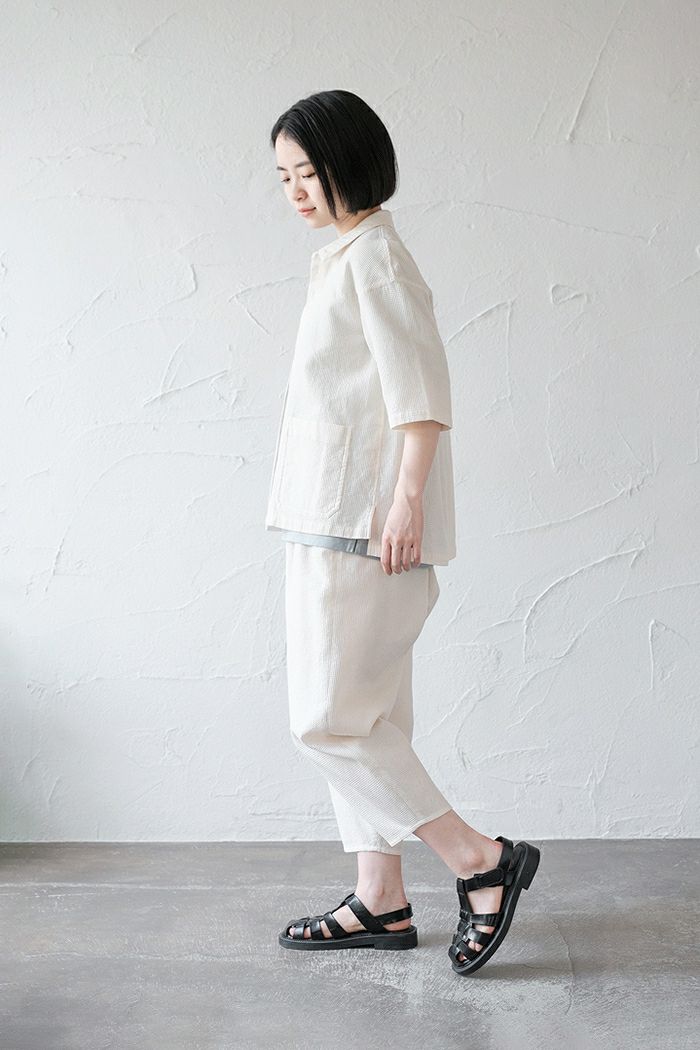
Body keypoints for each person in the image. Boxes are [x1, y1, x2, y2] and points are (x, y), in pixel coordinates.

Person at [265, 90, 540, 975]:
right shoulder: (344, 256)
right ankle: (379, 898)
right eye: (283, 176)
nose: (295, 191)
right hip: (329, 517)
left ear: (351, 162)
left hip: (362, 525)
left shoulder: (375, 258)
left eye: (308, 172)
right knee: (371, 715)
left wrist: (406, 500)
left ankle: (479, 860)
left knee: (330, 720)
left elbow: (419, 390)